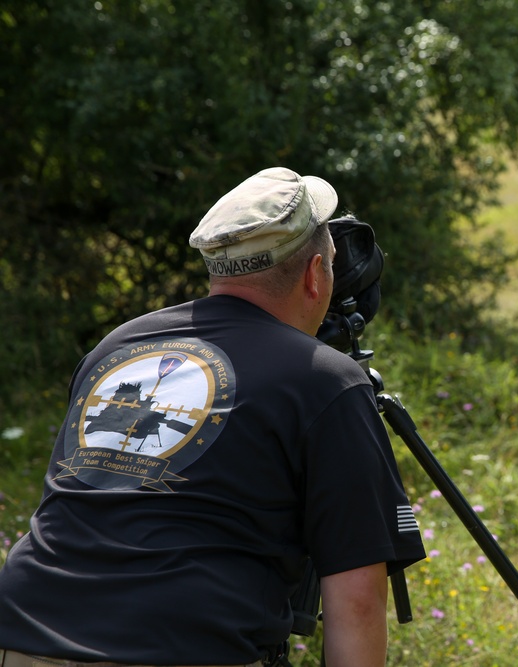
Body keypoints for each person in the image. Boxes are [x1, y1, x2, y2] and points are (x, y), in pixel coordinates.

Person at [0, 167, 426, 667]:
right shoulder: (324, 380)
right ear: (315, 275)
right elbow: (356, 600)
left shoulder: (119, 345)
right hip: (184, 647)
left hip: (24, 632)